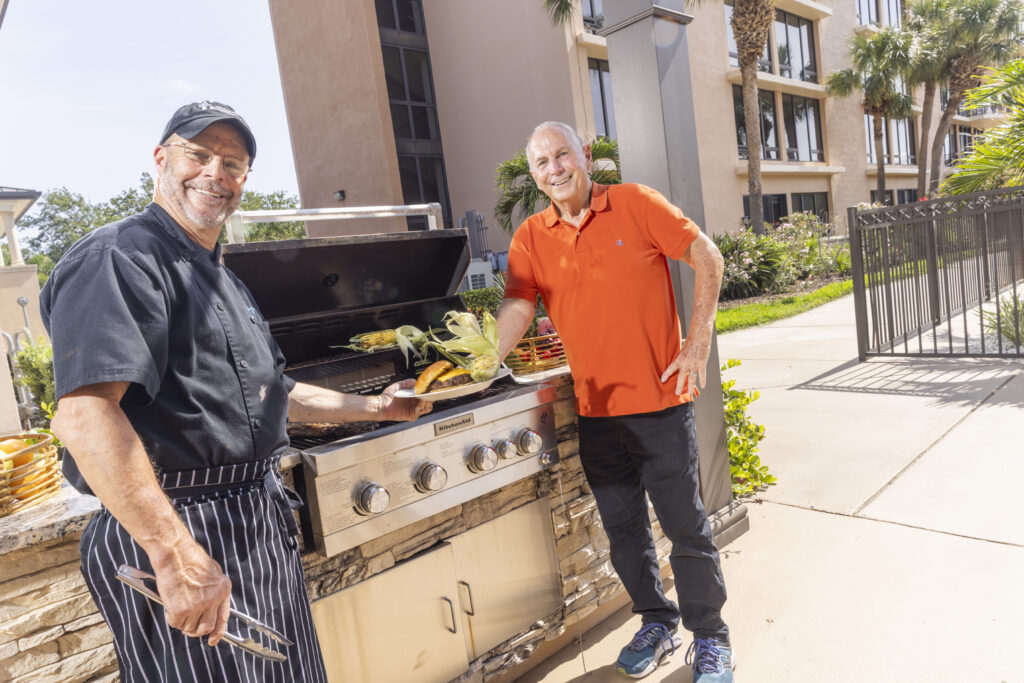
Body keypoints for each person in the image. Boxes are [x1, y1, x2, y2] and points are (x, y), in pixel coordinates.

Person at [41, 101, 431, 682]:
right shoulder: (119, 258)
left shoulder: (225, 278)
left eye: (233, 164)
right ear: (160, 159)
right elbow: (85, 416)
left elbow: (273, 393)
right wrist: (174, 556)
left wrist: (379, 407)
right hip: (182, 527)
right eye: (199, 155)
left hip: (250, 521)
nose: (214, 174)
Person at [496, 122, 734, 682]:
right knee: (624, 533)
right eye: (541, 163)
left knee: (686, 530)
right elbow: (518, 306)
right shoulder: (532, 235)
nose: (554, 169)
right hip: (597, 415)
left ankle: (711, 637)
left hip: (660, 406)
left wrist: (696, 342)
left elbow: (707, 256)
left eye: (562, 155)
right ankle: (657, 621)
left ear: (584, 155)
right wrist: (483, 363)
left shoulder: (634, 203)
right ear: (534, 175)